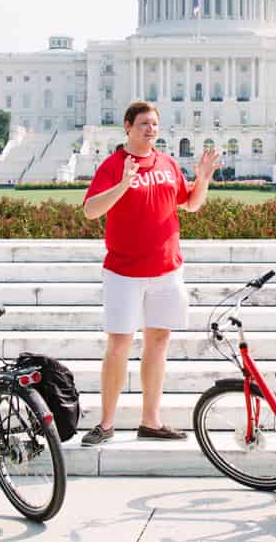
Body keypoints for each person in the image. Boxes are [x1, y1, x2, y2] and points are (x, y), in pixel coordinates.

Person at [78, 101, 218, 445]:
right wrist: (124, 184)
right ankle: (106, 423)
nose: (150, 129)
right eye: (143, 124)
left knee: (158, 342)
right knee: (119, 344)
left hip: (166, 270)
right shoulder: (113, 166)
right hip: (124, 271)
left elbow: (190, 203)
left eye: (154, 124)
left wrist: (202, 180)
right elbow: (90, 211)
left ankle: (150, 421)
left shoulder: (168, 163)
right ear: (128, 126)